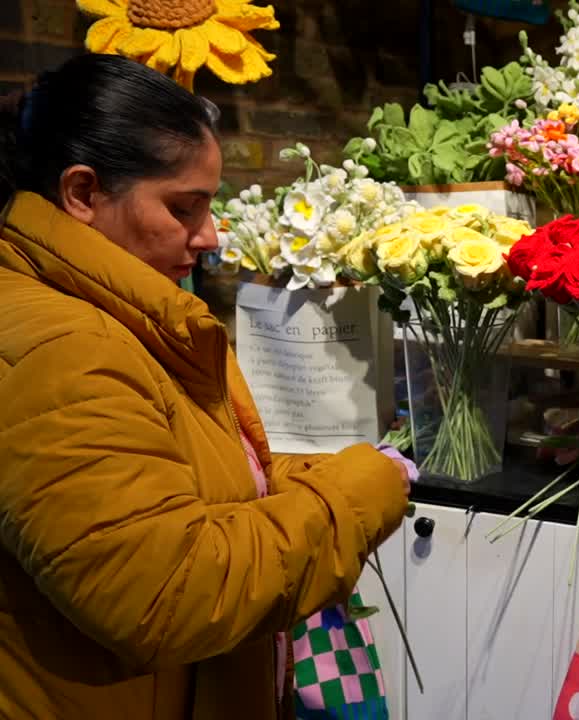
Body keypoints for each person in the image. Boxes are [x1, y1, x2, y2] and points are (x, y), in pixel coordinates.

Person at [0, 55, 411, 718]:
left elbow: (177, 486)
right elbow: (167, 591)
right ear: (81, 193)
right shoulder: (66, 351)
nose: (210, 236)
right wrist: (354, 498)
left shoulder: (115, 316)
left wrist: (309, 475)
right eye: (183, 208)